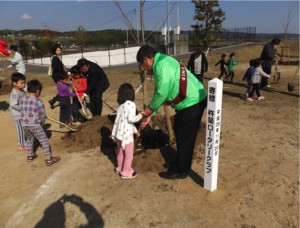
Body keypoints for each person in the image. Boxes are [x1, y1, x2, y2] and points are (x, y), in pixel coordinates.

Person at [136, 44, 207, 180]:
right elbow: (160, 91)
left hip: (192, 102)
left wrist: (150, 109)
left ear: (146, 60)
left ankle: (181, 170)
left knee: (184, 136)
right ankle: (181, 163)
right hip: (194, 100)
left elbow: (162, 92)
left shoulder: (161, 66)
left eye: (142, 65)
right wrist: (151, 114)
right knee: (182, 132)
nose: (143, 68)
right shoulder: (163, 60)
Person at [19, 79, 60, 165]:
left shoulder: (22, 99)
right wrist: (41, 122)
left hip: (24, 124)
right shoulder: (38, 101)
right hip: (35, 124)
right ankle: (49, 159)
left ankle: (30, 156)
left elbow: (21, 111)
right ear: (37, 91)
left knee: (29, 139)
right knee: (44, 140)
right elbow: (42, 115)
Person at [111, 83, 143, 179]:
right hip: (126, 136)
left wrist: (136, 132)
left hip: (119, 134)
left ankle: (119, 168)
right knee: (129, 155)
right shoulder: (131, 104)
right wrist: (140, 115)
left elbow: (125, 122)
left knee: (120, 152)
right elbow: (131, 119)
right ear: (131, 94)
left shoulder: (120, 107)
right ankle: (126, 172)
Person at [9, 72, 27, 150]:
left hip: (21, 113)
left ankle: (21, 141)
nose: (24, 84)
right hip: (17, 115)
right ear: (15, 83)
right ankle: (22, 145)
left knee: (23, 129)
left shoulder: (21, 90)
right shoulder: (15, 93)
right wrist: (23, 108)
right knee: (21, 129)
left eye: (24, 83)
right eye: (22, 83)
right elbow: (13, 104)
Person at [48, 44, 68, 109]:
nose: (60, 51)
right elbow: (56, 68)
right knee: (63, 89)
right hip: (57, 76)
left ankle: (53, 101)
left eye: (60, 50)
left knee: (63, 89)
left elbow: (60, 67)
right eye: (58, 50)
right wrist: (63, 71)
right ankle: (54, 101)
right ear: (55, 51)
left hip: (59, 76)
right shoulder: (55, 58)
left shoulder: (57, 58)